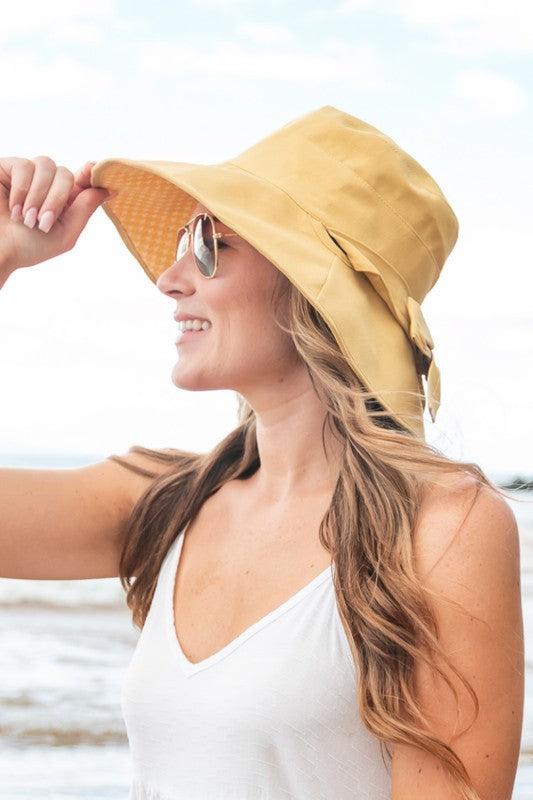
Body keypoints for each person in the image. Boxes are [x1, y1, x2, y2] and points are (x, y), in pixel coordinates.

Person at [0, 106, 524, 800]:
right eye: (186, 241)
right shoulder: (164, 498)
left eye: (212, 246)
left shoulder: (445, 526)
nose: (170, 277)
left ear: (312, 292)